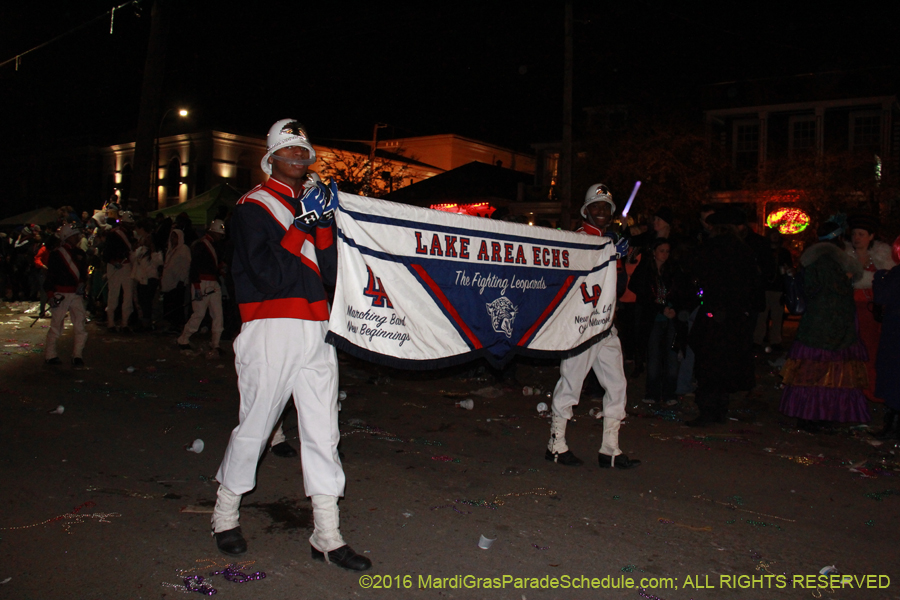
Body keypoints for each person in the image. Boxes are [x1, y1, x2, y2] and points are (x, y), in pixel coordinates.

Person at [210, 119, 370, 570]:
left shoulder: (314, 206)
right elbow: (265, 274)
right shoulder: (251, 207)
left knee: (324, 431)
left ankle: (327, 532)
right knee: (257, 425)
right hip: (271, 326)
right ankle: (224, 516)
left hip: (318, 328)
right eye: (290, 152)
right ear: (272, 158)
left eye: (304, 152)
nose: (299, 158)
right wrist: (302, 223)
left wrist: (327, 224)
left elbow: (332, 274)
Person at [546, 183, 640, 469]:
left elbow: (620, 288)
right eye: (595, 206)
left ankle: (610, 448)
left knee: (617, 385)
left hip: (606, 325)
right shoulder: (577, 241)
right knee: (571, 384)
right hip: (581, 327)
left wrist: (621, 257)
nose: (601, 211)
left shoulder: (610, 241)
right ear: (585, 211)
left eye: (606, 208)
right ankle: (556, 444)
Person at [779, 218, 870, 431]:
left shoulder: (813, 262)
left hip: (817, 324)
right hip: (835, 325)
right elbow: (836, 295)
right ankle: (824, 414)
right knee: (833, 372)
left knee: (812, 370)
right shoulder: (835, 264)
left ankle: (810, 414)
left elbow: (811, 290)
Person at [685, 206, 763, 427]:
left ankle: (709, 411)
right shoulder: (744, 251)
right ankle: (719, 410)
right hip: (735, 318)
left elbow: (695, 277)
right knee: (725, 363)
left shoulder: (708, 250)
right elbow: (755, 287)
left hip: (713, 314)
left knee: (708, 364)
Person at [628, 238, 690, 406]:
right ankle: (653, 392)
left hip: (671, 318)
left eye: (667, 251)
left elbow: (683, 292)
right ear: (654, 252)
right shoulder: (646, 270)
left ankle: (670, 392)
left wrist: (674, 309)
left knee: (671, 355)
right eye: (662, 251)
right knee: (654, 355)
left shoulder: (674, 269)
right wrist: (659, 308)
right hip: (653, 317)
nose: (665, 255)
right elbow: (640, 292)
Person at [844, 214, 897, 402]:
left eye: (861, 234)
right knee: (849, 350)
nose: (857, 238)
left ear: (871, 236)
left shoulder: (883, 257)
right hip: (849, 309)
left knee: (870, 350)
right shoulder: (844, 256)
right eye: (854, 234)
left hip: (871, 312)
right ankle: (851, 390)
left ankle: (870, 389)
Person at [177, 220, 226, 355]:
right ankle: (183, 339)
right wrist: (197, 286)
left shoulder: (216, 245)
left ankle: (215, 343)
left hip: (213, 283)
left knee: (218, 314)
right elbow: (195, 266)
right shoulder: (200, 245)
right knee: (198, 314)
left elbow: (216, 263)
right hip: (202, 282)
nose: (220, 237)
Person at [43, 223, 88, 367]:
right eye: (75, 235)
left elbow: (83, 273)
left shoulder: (81, 253)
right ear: (68, 237)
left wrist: (82, 283)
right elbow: (50, 276)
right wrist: (50, 294)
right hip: (60, 294)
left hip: (76, 294)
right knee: (56, 326)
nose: (78, 237)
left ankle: (77, 355)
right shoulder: (56, 254)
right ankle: (50, 355)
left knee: (80, 325)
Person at [872, 237, 900, 439]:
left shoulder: (895, 274)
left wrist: (879, 279)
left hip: (895, 330)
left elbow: (882, 297)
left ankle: (893, 423)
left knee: (893, 374)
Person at [753, 228, 793, 351]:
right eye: (773, 235)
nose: (775, 237)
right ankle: (757, 340)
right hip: (764, 288)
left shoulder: (784, 253)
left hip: (778, 289)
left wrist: (787, 272)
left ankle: (776, 341)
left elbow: (789, 270)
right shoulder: (763, 252)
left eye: (777, 235)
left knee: (777, 316)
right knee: (762, 316)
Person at [103, 211, 136, 331]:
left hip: (127, 266)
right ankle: (111, 322)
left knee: (128, 295)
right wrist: (113, 262)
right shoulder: (113, 234)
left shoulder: (131, 235)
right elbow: (106, 253)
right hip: (114, 266)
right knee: (113, 295)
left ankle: (124, 323)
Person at [131, 219, 164, 331]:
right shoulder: (141, 250)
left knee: (147, 303)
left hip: (150, 279)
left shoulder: (156, 253)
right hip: (140, 279)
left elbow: (158, 263)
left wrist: (153, 250)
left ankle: (147, 323)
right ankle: (143, 321)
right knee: (140, 301)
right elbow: (133, 259)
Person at [160, 228, 191, 333]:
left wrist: (182, 279)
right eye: (172, 236)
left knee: (177, 305)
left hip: (178, 282)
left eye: (175, 237)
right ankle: (171, 324)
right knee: (169, 304)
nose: (173, 239)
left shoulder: (183, 249)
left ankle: (177, 325)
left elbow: (186, 265)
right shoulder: (170, 250)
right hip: (169, 282)